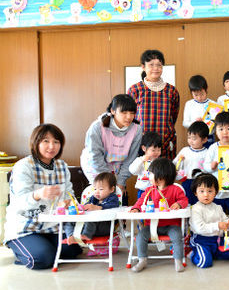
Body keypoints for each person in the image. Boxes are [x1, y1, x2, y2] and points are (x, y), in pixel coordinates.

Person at [5, 124, 81, 269]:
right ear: (36, 142)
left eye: (56, 142)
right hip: (26, 228)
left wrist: (69, 203)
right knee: (42, 259)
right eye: (46, 141)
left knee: (73, 249)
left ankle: (42, 248)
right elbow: (19, 202)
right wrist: (37, 195)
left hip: (53, 227)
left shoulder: (62, 166)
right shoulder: (23, 166)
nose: (51, 146)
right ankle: (21, 250)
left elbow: (69, 195)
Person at [80, 94, 142, 206]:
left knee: (117, 200)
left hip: (117, 169)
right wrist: (106, 183)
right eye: (124, 112)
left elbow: (131, 159)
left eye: (132, 113)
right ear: (113, 111)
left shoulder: (136, 130)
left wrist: (120, 182)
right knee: (99, 200)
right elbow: (95, 157)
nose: (129, 117)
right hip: (96, 168)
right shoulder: (97, 127)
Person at [129, 158, 188, 273]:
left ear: (161, 176)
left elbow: (184, 200)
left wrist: (179, 204)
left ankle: (178, 261)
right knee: (140, 236)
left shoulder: (175, 190)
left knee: (177, 236)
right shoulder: (149, 190)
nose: (148, 175)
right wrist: (136, 208)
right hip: (152, 225)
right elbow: (141, 201)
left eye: (150, 173)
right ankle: (142, 260)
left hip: (171, 225)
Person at [128, 49, 180, 158]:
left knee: (165, 173)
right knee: (144, 173)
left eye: (159, 65)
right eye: (151, 65)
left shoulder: (172, 91)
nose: (155, 68)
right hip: (143, 143)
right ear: (143, 67)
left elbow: (173, 117)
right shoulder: (135, 89)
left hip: (165, 142)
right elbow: (130, 118)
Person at [189, 173, 229, 268]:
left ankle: (210, 253)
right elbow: (199, 228)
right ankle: (193, 254)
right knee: (205, 263)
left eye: (210, 191)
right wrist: (218, 226)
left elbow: (224, 219)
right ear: (195, 193)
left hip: (217, 240)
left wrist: (228, 224)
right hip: (201, 240)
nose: (206, 195)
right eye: (201, 191)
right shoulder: (195, 209)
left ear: (215, 192)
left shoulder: (218, 207)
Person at [65, 172, 119, 243]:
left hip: (105, 226)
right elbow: (87, 206)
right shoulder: (93, 198)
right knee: (69, 222)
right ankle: (71, 236)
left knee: (91, 219)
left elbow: (113, 206)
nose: (97, 192)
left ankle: (86, 235)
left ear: (111, 189)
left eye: (101, 189)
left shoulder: (113, 198)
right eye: (95, 189)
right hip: (90, 226)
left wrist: (98, 207)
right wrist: (81, 208)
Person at [173, 121, 209, 205]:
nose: (191, 141)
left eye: (194, 138)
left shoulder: (207, 152)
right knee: (187, 203)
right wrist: (179, 161)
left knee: (200, 204)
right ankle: (188, 218)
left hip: (201, 183)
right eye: (189, 137)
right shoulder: (185, 150)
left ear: (204, 139)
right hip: (187, 181)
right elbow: (174, 165)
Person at [182, 75, 215, 147]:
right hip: (194, 139)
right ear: (191, 93)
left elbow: (216, 123)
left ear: (206, 90)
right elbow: (185, 123)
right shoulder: (189, 104)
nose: (199, 98)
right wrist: (195, 123)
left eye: (202, 94)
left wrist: (208, 123)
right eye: (196, 95)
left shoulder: (213, 104)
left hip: (209, 137)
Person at [129, 131, 162, 199]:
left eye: (159, 150)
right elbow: (132, 171)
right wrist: (142, 160)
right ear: (144, 148)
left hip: (157, 191)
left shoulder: (159, 161)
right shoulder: (140, 160)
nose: (156, 152)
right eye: (153, 150)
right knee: (142, 207)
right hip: (143, 191)